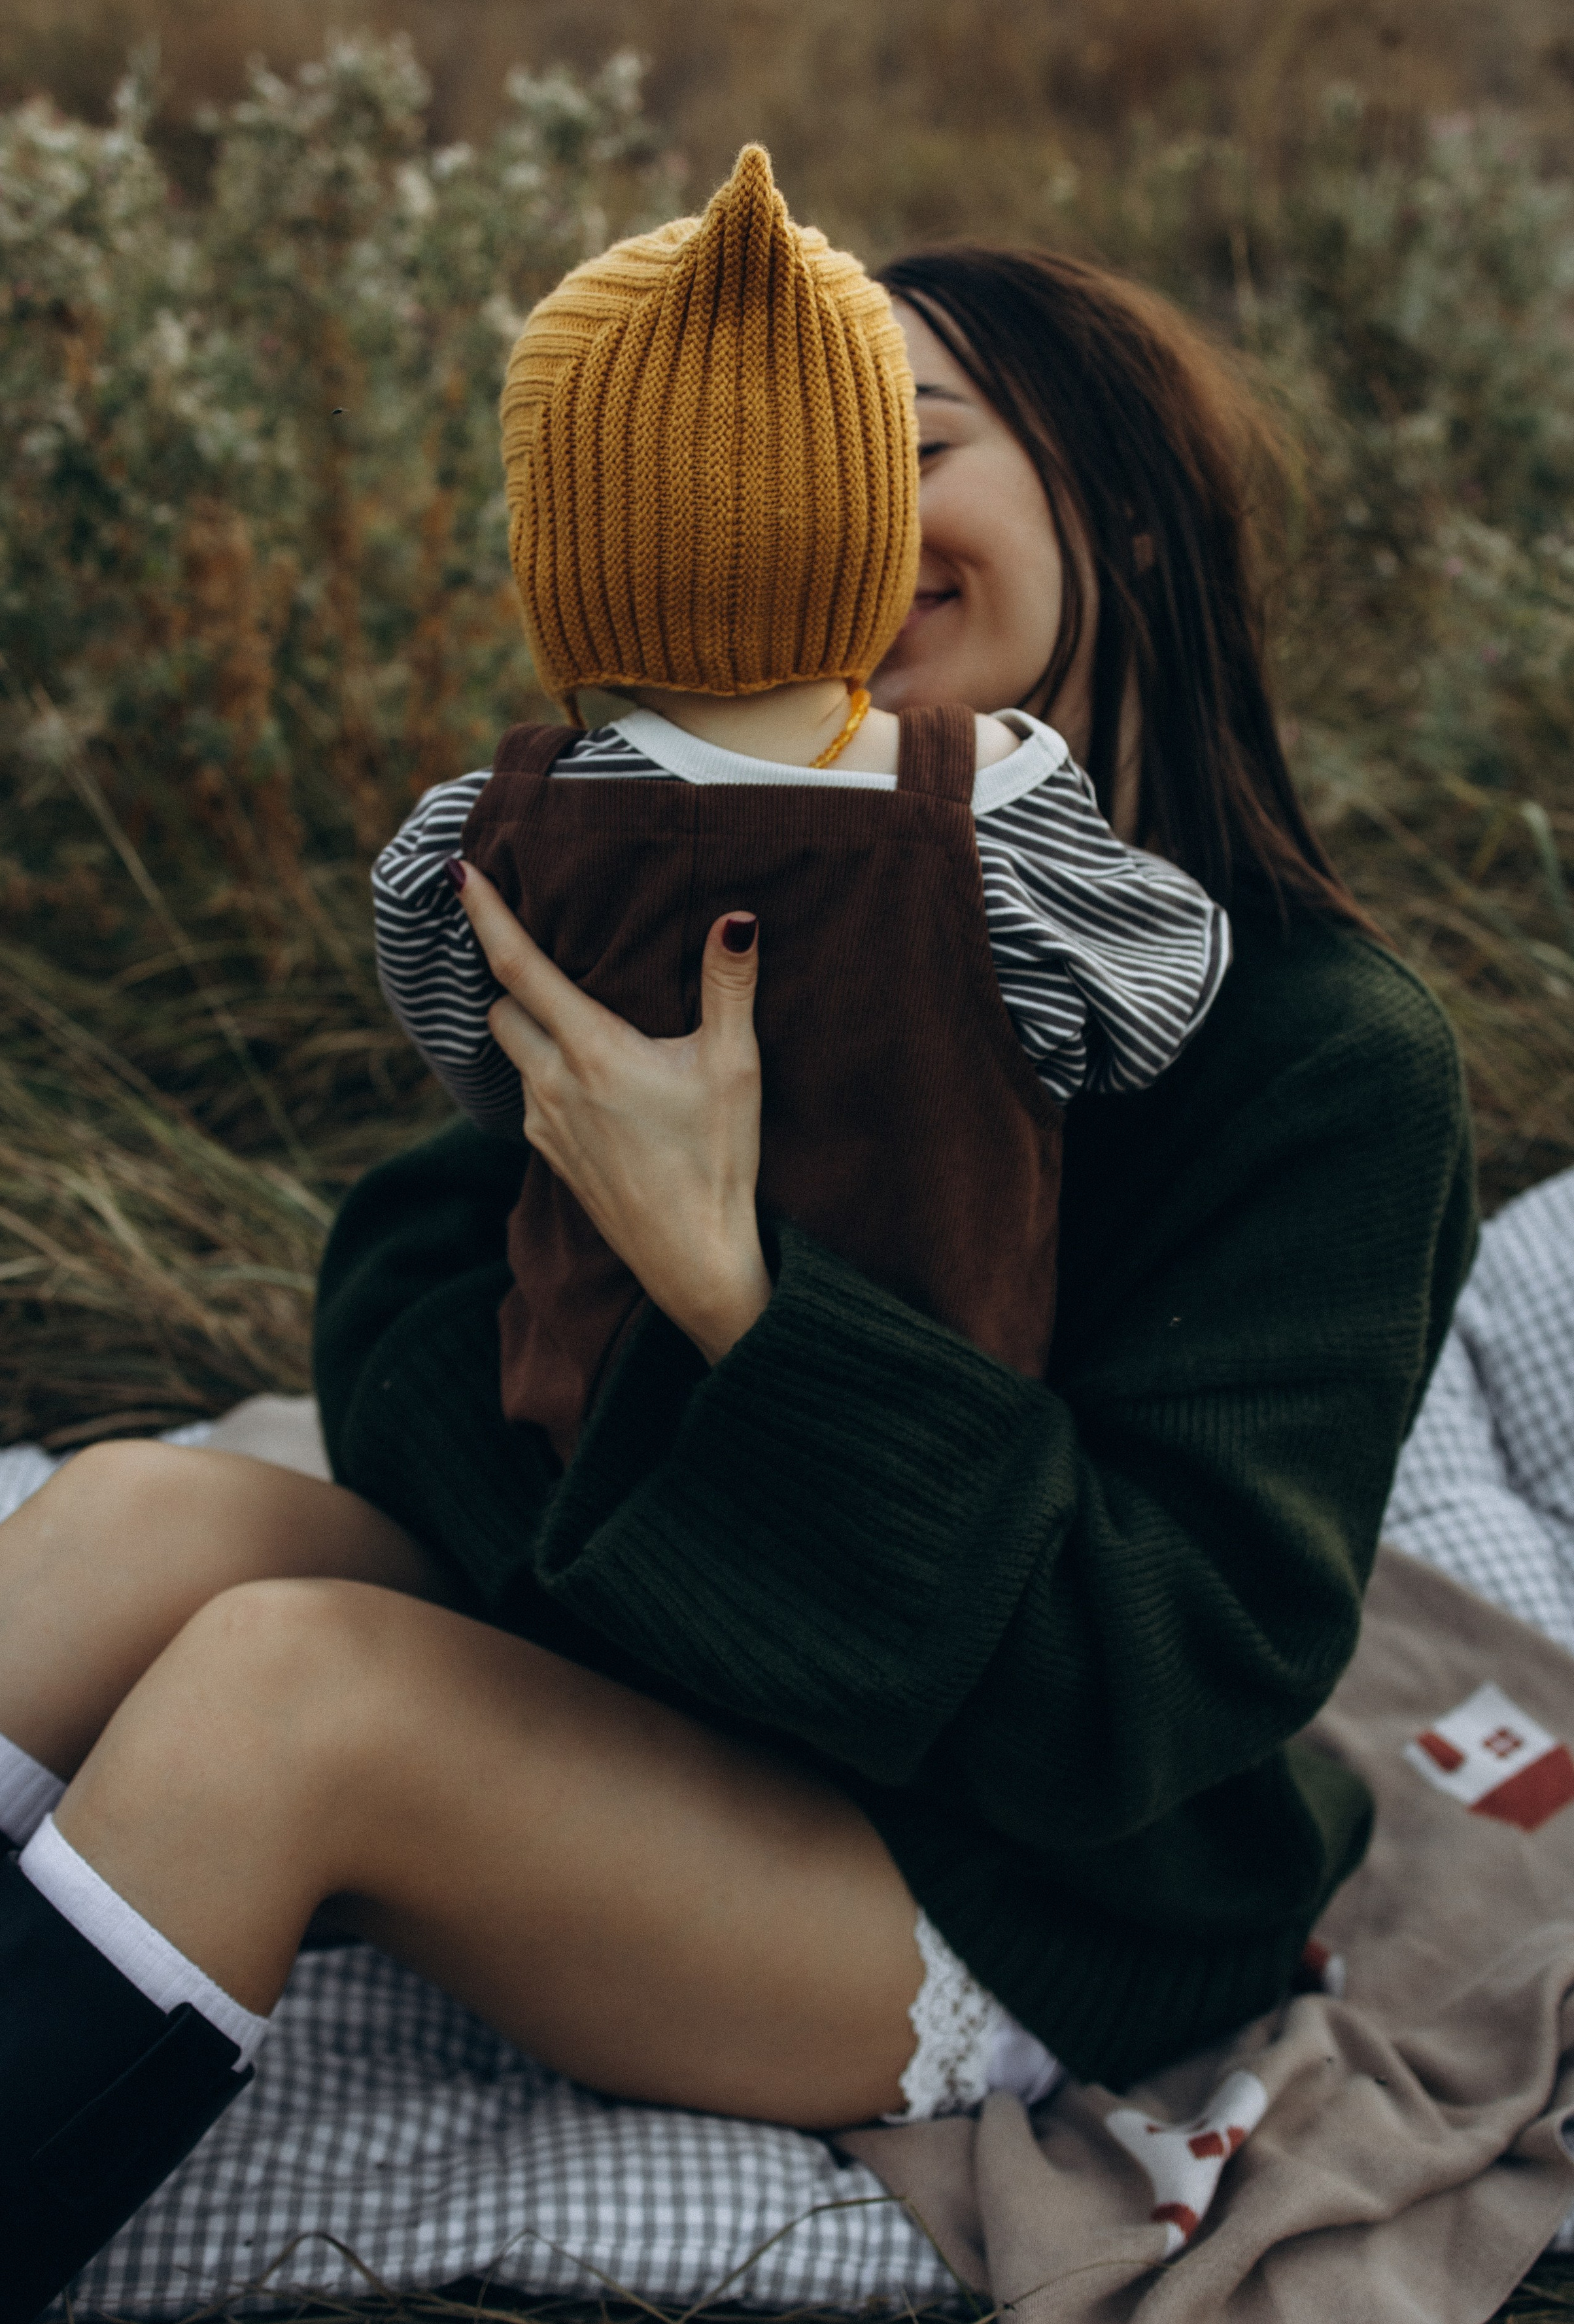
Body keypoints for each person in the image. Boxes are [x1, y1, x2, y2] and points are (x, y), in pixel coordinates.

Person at [0, 218, 1472, 2324]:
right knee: (146, 1520)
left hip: (1005, 1870)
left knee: (295, 1687)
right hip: (681, 1674)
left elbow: (1139, 1682)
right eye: (799, 467)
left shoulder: (1313, 1048)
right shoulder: (718, 844)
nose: (847, 523)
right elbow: (409, 1294)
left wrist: (731, 1290)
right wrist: (631, 1507)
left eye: (907, 450)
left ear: (1115, 501)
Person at [371, 147, 1229, 1465]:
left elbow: (494, 1078)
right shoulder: (1003, 822)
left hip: (595, 1460)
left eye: (919, 443)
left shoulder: (491, 832)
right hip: (887, 1505)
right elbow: (1151, 1006)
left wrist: (718, 1270)